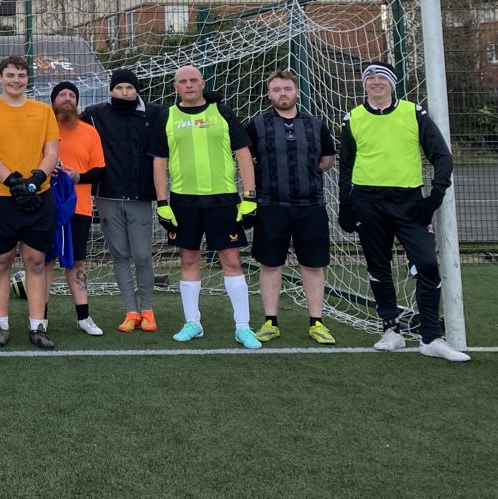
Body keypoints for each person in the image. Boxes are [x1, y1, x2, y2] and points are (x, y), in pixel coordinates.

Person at [338, 61, 467, 362]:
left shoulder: (413, 113)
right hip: (368, 202)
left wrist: (433, 197)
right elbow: (345, 166)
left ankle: (430, 337)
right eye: (370, 78)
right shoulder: (352, 118)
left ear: (393, 83)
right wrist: (346, 204)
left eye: (382, 77)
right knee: (378, 267)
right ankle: (391, 331)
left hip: (409, 203)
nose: (375, 82)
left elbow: (442, 157)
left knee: (426, 264)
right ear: (364, 84)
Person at [150, 65, 259, 349]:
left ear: (202, 83)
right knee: (188, 260)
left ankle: (243, 327)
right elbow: (159, 161)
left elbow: (243, 154)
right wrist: (162, 202)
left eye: (193, 80)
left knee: (231, 260)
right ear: (175, 87)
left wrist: (249, 197)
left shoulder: (222, 112)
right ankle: (192, 322)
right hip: (184, 201)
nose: (188, 85)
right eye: (182, 81)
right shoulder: (168, 116)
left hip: (222, 199)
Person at [0, 55, 62, 349]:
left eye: (21, 76)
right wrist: (13, 182)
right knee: (1, 261)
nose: (16, 80)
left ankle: (38, 326)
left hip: (38, 196)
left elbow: (51, 152)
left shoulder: (43, 111)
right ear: (0, 78)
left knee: (36, 261)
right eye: (10, 75)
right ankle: (1, 325)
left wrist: (35, 181)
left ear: (27, 79)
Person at [245, 69, 337, 345]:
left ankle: (317, 322)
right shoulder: (257, 125)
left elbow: (327, 159)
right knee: (270, 264)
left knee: (312, 264)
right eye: (276, 90)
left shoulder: (315, 124)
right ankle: (270, 322)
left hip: (311, 206)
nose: (282, 94)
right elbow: (246, 159)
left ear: (296, 91)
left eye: (287, 89)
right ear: (269, 93)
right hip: (271, 206)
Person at [81, 69, 163, 333]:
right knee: (119, 256)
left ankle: (148, 310)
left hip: (140, 196)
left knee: (141, 255)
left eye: (129, 88)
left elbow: (185, 112)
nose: (124, 93)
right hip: (107, 196)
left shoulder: (155, 113)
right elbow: (66, 123)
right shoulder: (95, 114)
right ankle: (130, 311)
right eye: (119, 88)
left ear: (137, 90)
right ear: (111, 90)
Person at [50, 81, 106, 337]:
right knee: (44, 261)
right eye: (62, 94)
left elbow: (99, 170)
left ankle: (83, 317)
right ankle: (40, 318)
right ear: (53, 100)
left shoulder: (89, 131)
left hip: (79, 208)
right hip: (46, 207)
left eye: (72, 95)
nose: (67, 98)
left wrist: (77, 177)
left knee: (77, 263)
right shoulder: (44, 128)